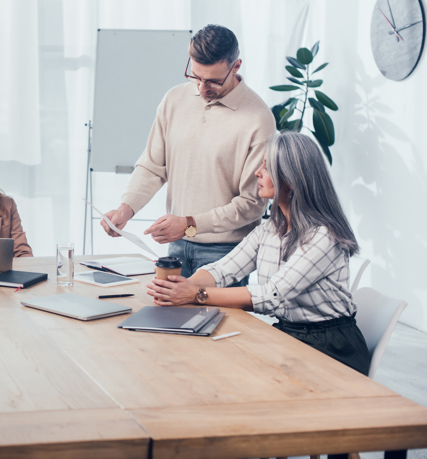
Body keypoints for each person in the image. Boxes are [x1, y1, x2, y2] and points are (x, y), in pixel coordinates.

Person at [146, 132, 371, 375]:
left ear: (292, 179)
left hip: (331, 347)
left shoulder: (323, 235)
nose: (258, 173)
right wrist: (180, 289)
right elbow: (223, 269)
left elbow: (271, 295)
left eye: (267, 167)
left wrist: (195, 295)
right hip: (290, 334)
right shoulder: (271, 228)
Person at [101, 24, 275, 284]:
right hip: (177, 247)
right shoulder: (174, 99)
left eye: (214, 80)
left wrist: (189, 223)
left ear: (236, 66)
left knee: (221, 325)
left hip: (228, 253)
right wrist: (125, 209)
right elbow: (152, 166)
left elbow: (252, 204)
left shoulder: (259, 119)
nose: (202, 88)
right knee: (167, 322)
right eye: (195, 76)